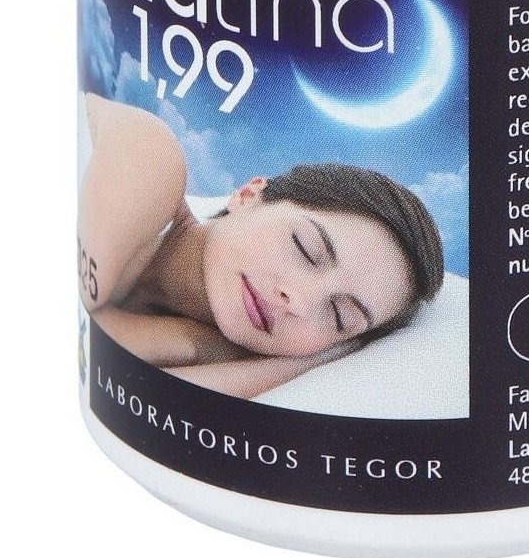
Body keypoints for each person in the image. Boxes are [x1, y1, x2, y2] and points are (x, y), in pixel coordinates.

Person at [78, 94, 445, 399]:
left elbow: (141, 397)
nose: (298, 300)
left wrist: (198, 346)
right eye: (305, 248)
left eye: (339, 318)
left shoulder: (198, 337)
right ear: (249, 194)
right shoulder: (153, 161)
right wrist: (195, 344)